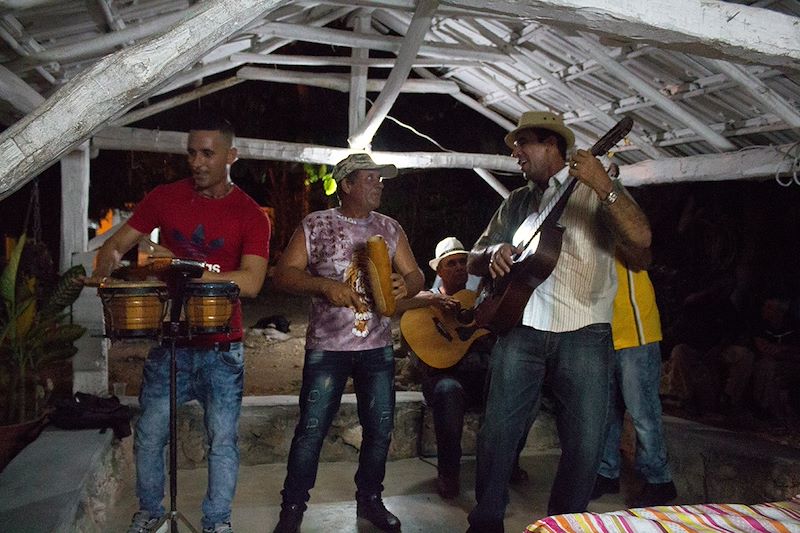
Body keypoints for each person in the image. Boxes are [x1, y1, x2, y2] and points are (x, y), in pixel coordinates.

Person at [466, 111, 652, 532]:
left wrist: (605, 186)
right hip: (520, 328)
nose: (516, 154)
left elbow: (642, 247)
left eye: (523, 144)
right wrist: (494, 250)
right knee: (497, 433)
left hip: (585, 332)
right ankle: (485, 521)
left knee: (585, 444)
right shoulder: (515, 202)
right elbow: (472, 257)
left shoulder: (594, 193)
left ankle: (563, 525)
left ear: (552, 145)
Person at [89, 116, 271, 533]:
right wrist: (106, 268)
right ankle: (150, 511)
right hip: (172, 342)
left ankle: (217, 523)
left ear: (231, 156)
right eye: (191, 152)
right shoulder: (164, 197)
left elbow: (253, 282)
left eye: (208, 153)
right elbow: (116, 245)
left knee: (222, 442)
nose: (197, 162)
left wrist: (192, 274)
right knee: (150, 435)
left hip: (224, 348)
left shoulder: (251, 214)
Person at [270, 153, 424, 533]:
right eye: (370, 179)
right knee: (311, 430)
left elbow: (416, 273)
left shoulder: (389, 228)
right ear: (347, 185)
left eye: (380, 179)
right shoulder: (316, 224)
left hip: (376, 347)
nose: (379, 185)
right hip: (328, 350)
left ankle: (370, 501)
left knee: (380, 428)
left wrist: (410, 284)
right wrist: (324, 285)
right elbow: (284, 275)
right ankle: (292, 510)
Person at [396, 237, 530, 500]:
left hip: (479, 377)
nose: (459, 268)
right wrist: (432, 302)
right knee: (448, 390)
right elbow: (399, 307)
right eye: (451, 263)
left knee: (520, 387)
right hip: (444, 378)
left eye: (462, 262)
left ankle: (507, 463)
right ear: (439, 270)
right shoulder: (427, 301)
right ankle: (448, 472)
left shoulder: (479, 298)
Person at [591, 256, 677, 508]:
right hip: (603, 331)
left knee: (643, 412)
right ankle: (607, 472)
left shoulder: (624, 225)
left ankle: (660, 480)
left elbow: (643, 250)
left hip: (635, 331)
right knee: (607, 410)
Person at [751, 294, 800, 423]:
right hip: (767, 362)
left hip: (790, 364)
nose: (764, 309)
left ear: (779, 312)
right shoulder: (760, 325)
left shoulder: (793, 327)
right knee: (768, 368)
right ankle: (764, 408)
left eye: (768, 307)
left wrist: (782, 351)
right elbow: (763, 349)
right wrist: (783, 350)